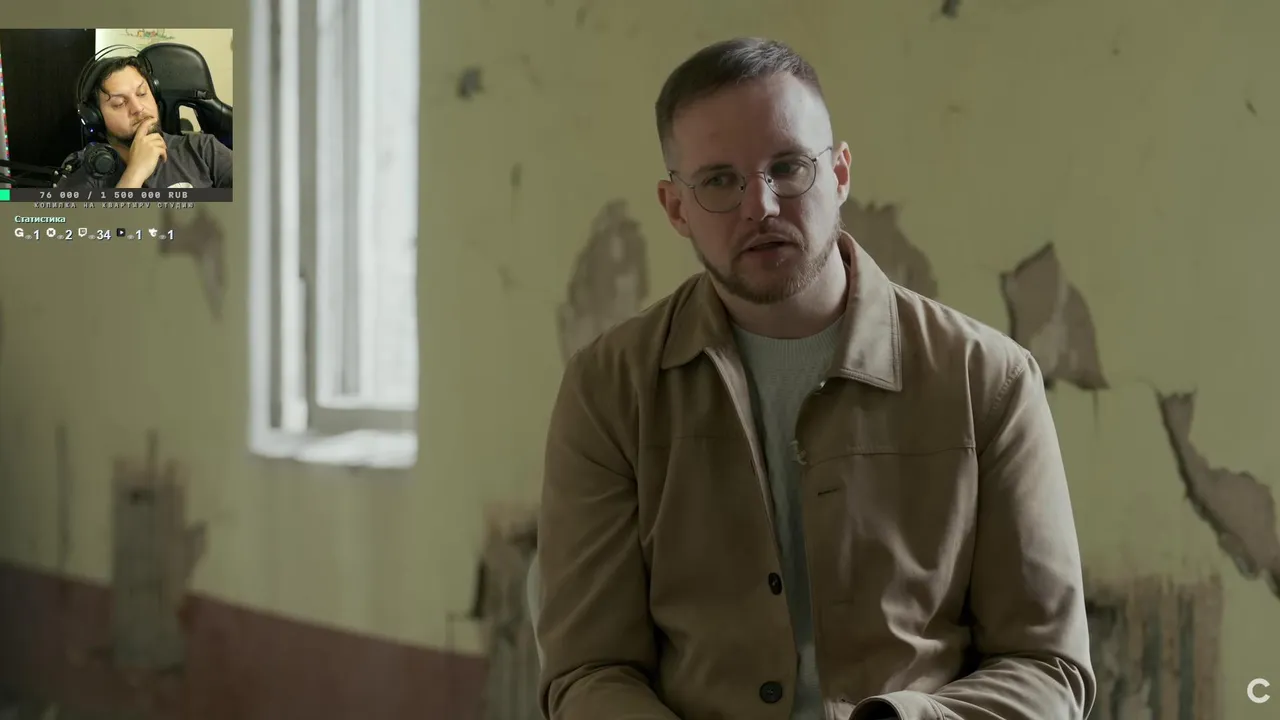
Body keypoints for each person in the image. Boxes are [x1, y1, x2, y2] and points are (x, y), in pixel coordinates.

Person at [534, 37, 1095, 720]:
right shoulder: (609, 389)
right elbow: (589, 670)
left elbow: (1046, 667)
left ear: (841, 173)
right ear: (675, 207)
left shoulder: (988, 380)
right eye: (720, 181)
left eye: (788, 167)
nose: (762, 207)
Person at [56, 56, 232, 190]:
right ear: (96, 117)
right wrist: (134, 174)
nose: (138, 108)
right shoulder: (83, 169)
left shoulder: (203, 149)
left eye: (142, 94)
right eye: (119, 103)